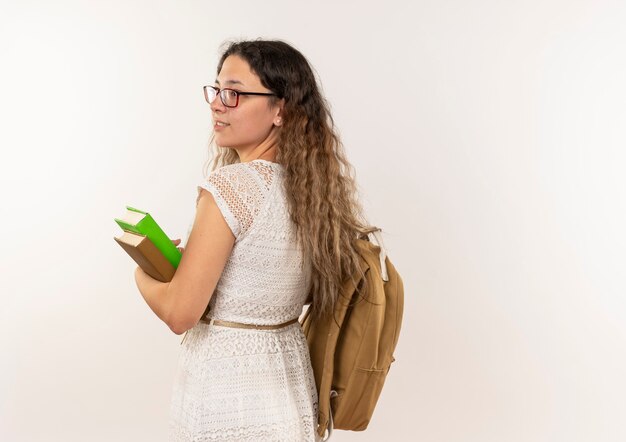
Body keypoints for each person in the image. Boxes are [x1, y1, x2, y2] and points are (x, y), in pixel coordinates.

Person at [134, 39, 379, 442]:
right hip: (289, 387)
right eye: (216, 90)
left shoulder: (231, 186)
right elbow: (277, 293)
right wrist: (196, 267)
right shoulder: (312, 194)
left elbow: (181, 313)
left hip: (225, 394)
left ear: (280, 109)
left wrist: (143, 274)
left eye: (234, 93)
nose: (217, 103)